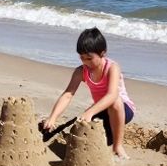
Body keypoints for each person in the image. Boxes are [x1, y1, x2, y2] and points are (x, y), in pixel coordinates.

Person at [41, 27, 137, 158]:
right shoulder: (81, 71)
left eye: (89, 58)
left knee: (115, 101)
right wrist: (53, 118)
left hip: (122, 109)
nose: (86, 62)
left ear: (102, 53)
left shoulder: (112, 68)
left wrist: (90, 112)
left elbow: (112, 95)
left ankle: (118, 146)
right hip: (101, 111)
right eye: (82, 58)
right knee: (85, 135)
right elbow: (68, 94)